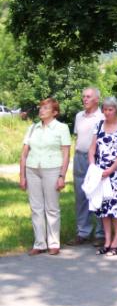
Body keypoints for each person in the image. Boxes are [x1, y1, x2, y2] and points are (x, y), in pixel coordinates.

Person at [19, 98, 71, 256]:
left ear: (54, 112)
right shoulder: (32, 128)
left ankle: (54, 243)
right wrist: (22, 176)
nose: (42, 110)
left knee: (52, 208)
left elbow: (66, 153)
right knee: (36, 208)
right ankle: (39, 243)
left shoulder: (61, 128)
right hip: (32, 169)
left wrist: (62, 175)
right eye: (41, 108)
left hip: (52, 170)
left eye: (46, 108)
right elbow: (24, 154)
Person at [87, 97, 117, 256]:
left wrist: (111, 169)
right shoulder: (98, 125)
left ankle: (116, 242)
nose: (107, 112)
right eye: (105, 109)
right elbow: (92, 149)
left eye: (110, 109)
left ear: (116, 110)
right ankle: (107, 241)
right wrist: (93, 167)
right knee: (104, 207)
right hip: (100, 174)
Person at [67, 87, 105, 247]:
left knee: (97, 195)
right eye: (83, 96)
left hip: (96, 158)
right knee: (81, 195)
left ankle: (101, 233)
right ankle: (82, 232)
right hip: (80, 157)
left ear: (97, 99)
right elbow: (78, 137)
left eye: (88, 96)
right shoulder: (79, 116)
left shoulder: (102, 116)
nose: (85, 99)